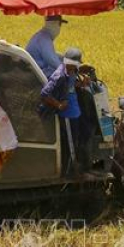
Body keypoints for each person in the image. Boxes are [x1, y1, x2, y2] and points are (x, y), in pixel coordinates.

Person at [39, 47, 92, 176]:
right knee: (71, 142)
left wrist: (82, 84)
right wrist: (58, 105)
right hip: (68, 115)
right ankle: (70, 170)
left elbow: (71, 85)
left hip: (75, 112)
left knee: (85, 132)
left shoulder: (70, 72)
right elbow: (44, 94)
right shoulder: (59, 76)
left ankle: (78, 161)